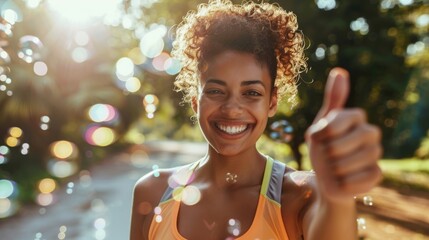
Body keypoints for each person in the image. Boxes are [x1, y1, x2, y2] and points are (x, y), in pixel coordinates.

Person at [130, 0, 382, 239]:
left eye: (251, 93)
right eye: (216, 91)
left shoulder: (302, 196)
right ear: (196, 101)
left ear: (271, 102)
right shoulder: (152, 192)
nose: (231, 109)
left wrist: (336, 200)